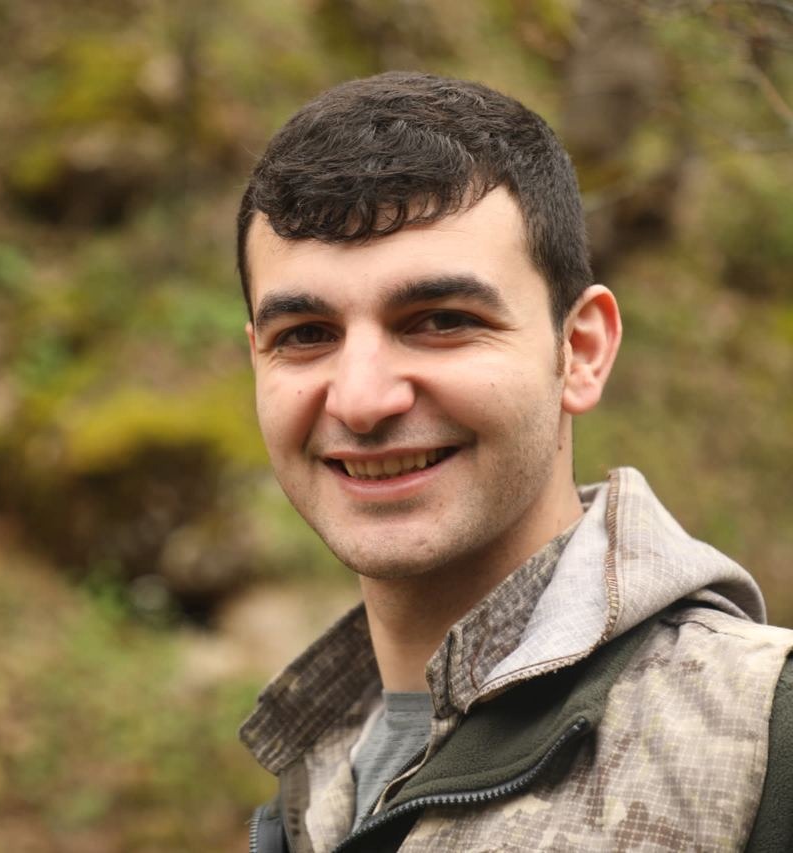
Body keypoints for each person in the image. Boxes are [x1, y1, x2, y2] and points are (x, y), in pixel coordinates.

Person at [235, 71, 793, 853]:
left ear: (581, 350)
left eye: (440, 320)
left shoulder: (763, 740)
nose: (360, 400)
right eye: (305, 334)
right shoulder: (315, 787)